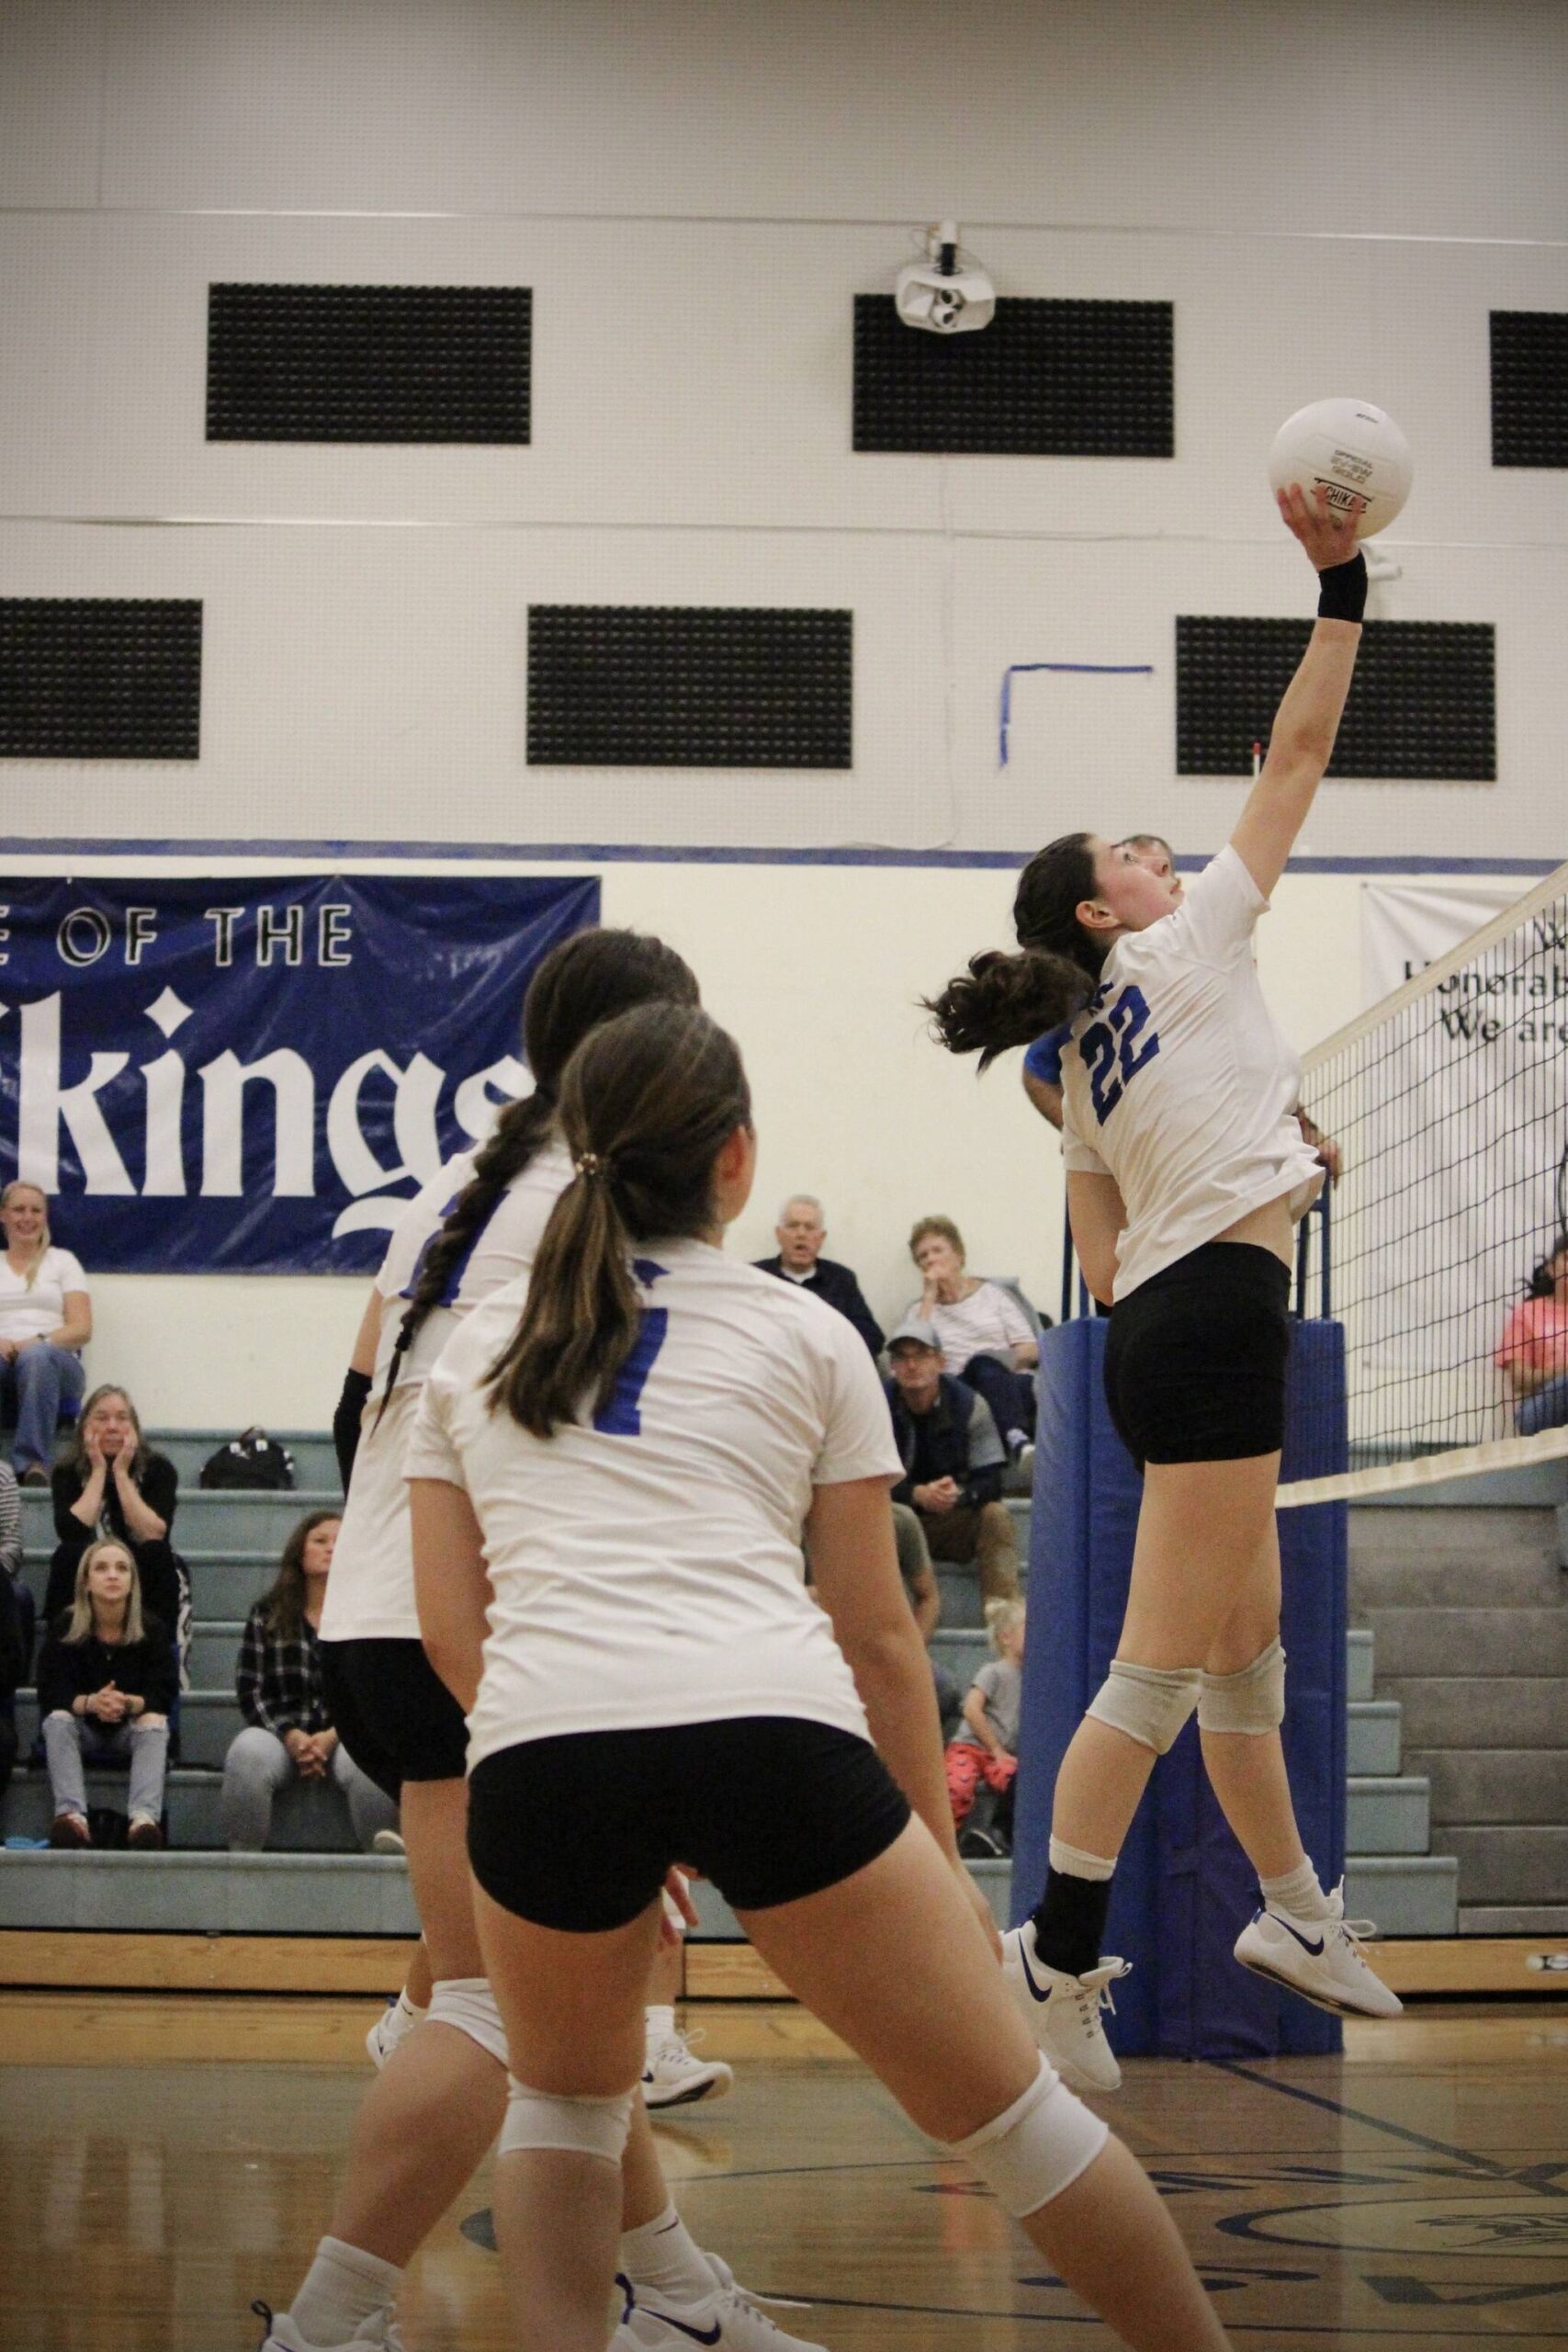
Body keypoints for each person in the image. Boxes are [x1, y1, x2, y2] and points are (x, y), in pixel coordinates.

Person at [407, 999, 1229, 2352]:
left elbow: (456, 1634)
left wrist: (593, 1773)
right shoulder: (805, 1333)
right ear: (735, 1162)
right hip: (766, 1725)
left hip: (545, 1746)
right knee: (1016, 2121)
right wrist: (935, 1857)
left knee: (562, 2110)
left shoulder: (477, 1347)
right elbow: (875, 1633)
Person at [257, 930, 802, 2352]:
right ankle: (329, 2318)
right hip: (460, 1631)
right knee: (503, 2012)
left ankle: (674, 2294)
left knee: (566, 2019)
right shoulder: (589, 1194)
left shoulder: (463, 1181)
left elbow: (358, 1402)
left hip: (388, 1613)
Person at [926, 480, 1402, 2098]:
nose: (1160, 848)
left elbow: (1106, 1252)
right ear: (1098, 907)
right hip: (1204, 1333)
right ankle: (1051, 1951)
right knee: (1151, 1667)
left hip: (1163, 1321)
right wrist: (1341, 593)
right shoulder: (1187, 943)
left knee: (1239, 1653)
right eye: (1131, 849)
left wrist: (1269, 1164)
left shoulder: (1068, 1060)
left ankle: (1288, 1911)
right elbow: (1295, 761)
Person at [1023, 841, 1343, 1189]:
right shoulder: (1188, 951)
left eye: (1164, 864)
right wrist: (1087, 1140)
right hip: (1208, 1199)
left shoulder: (1183, 967)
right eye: (1129, 860)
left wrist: (1309, 1132)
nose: (1162, 867)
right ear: (1100, 912)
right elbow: (1036, 1073)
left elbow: (1250, 1074)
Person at [222, 1513, 400, 1854]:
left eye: (340, 1542)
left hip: (348, 1734)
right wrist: (290, 1735)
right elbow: (251, 1689)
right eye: (320, 1541)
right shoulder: (267, 1613)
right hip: (280, 1733)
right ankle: (242, 1860)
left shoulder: (371, 1614)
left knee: (372, 1761)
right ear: (299, 1553)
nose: (331, 1548)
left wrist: (334, 1735)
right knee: (246, 1753)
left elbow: (378, 1689)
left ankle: (383, 1862)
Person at [37, 1536, 174, 1848]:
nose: (112, 1575)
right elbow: (50, 1691)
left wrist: (128, 1703)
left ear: (132, 1582)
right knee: (58, 1720)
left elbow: (164, 1693)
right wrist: (90, 1703)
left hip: (130, 1728)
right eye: (101, 1568)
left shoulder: (151, 1629)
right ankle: (71, 1817)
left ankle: (143, 1821)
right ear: (86, 1582)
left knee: (154, 1721)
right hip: (84, 1727)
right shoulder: (66, 1625)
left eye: (122, 1568)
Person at [45, 1386, 187, 1677]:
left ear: (134, 1428)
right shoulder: (66, 1471)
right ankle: (61, 1659)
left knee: (157, 1554)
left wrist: (121, 1473)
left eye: (122, 1418)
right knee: (67, 1555)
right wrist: (98, 1470)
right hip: (90, 1566)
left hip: (141, 1565)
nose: (112, 1426)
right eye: (101, 1417)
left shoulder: (159, 1469)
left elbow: (153, 1532)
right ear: (85, 1426)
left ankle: (160, 1662)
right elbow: (71, 1530)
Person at [884, 1317, 1021, 1604]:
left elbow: (991, 1479)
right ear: (892, 1367)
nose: (911, 1365)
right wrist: (915, 1494)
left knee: (995, 1515)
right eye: (902, 1357)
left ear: (941, 1362)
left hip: (948, 1521)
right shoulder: (874, 1406)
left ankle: (1006, 1624)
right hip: (891, 1523)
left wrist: (959, 1495)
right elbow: (860, 1481)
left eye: (921, 1355)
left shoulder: (970, 1404)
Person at [903, 1216, 1039, 1460]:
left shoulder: (993, 1295)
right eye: (923, 1256)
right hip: (955, 1391)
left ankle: (1018, 1441)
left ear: (959, 1256)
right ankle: (1018, 1442)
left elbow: (1029, 1350)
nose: (931, 1259)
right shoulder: (919, 1311)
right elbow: (915, 1358)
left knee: (984, 1366)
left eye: (937, 1250)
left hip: (1006, 1381)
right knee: (976, 1372)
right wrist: (929, 1298)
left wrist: (994, 1362)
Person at [0, 1182, 90, 1484]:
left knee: (37, 1357)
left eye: (36, 1210)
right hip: (3, 1360)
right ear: (3, 1215)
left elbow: (82, 1328)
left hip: (56, 1362)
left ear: (45, 1217)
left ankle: (32, 1464)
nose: (28, 1217)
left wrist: (37, 1342)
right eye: (18, 1209)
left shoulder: (63, 1261)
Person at [753, 1195, 885, 1355]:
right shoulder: (756, 1276)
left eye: (809, 1227)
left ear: (821, 1238)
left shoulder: (841, 1279)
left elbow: (872, 1339)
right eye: (793, 1226)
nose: (801, 1234)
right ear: (778, 1234)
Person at [946, 1600, 1026, 1860]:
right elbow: (971, 1709)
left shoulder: (1033, 1678)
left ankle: (997, 1837)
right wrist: (994, 1747)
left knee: (1020, 1782)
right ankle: (944, 1842)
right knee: (957, 1786)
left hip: (1000, 1755)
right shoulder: (993, 1672)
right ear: (1006, 1637)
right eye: (1028, 1629)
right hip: (971, 1748)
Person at [1496, 1233, 1568, 1435]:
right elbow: (1519, 1379)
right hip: (1538, 1413)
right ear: (1551, 1268)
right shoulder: (1528, 1313)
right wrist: (1564, 1371)